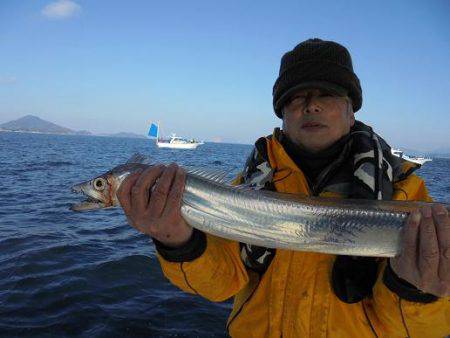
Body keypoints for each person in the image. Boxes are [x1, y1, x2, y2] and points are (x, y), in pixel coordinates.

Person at [117, 39, 450, 337]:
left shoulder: (409, 196)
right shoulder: (243, 192)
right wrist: (178, 243)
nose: (311, 105)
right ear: (283, 115)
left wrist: (415, 289)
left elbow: (429, 330)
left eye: (327, 94)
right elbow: (222, 286)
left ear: (351, 112)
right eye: (296, 98)